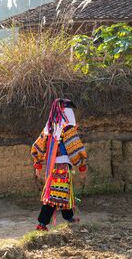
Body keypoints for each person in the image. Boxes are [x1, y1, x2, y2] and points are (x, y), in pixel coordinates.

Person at [31, 98, 88, 231]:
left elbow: (38, 146)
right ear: (67, 112)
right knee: (54, 195)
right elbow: (75, 148)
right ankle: (42, 224)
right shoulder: (67, 128)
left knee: (64, 191)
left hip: (52, 165)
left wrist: (38, 164)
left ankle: (68, 217)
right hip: (62, 166)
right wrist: (82, 166)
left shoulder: (50, 127)